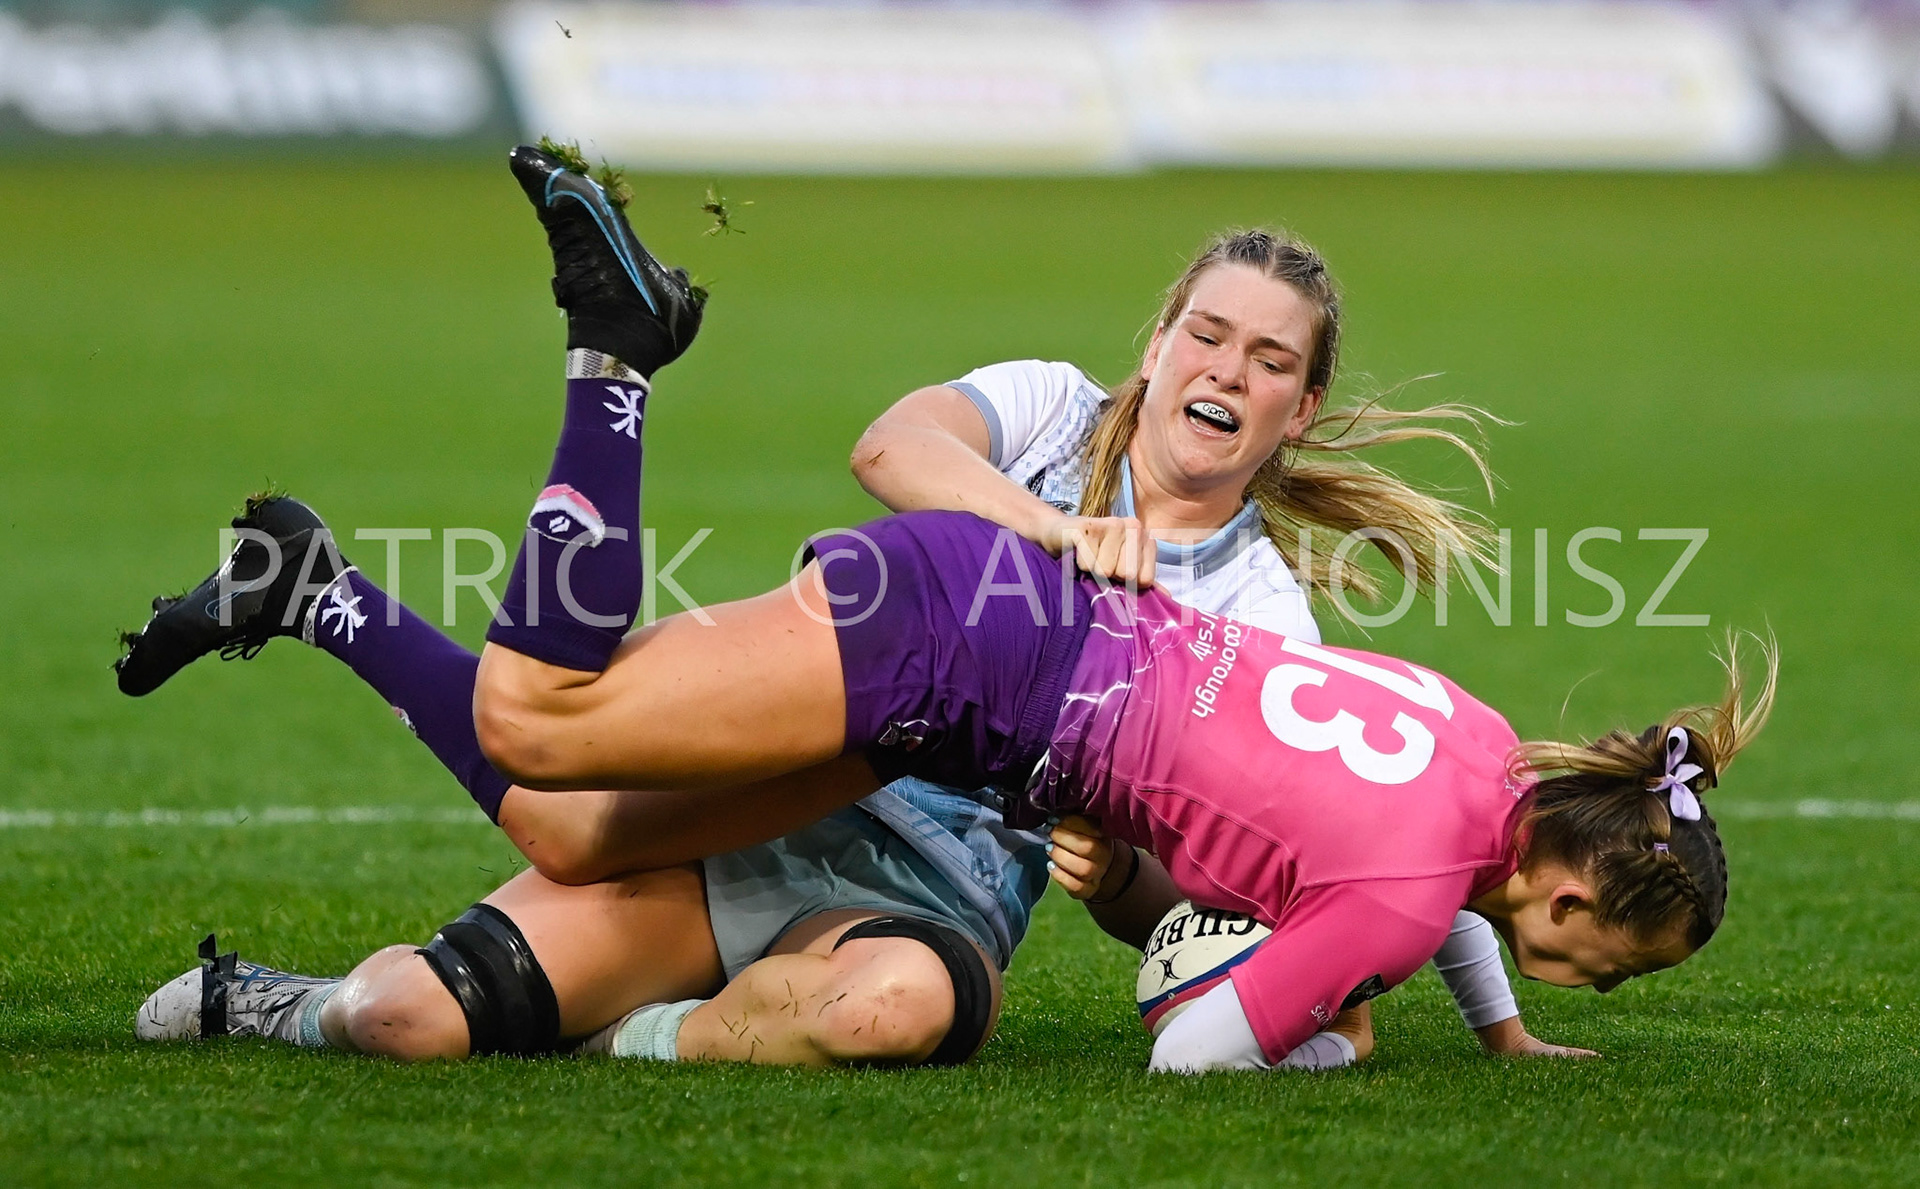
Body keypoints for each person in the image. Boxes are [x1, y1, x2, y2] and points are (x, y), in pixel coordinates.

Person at [120, 145, 1761, 1071]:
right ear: (1158, 338)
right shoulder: (1053, 406)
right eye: (1209, 333)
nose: (1225, 371)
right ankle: (604, 368)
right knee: (520, 789)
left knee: (592, 830)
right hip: (901, 677)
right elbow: (895, 447)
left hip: (952, 840)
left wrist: (1121, 875)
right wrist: (1058, 529)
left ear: (1299, 415)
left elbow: (1308, 855)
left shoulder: (1267, 607)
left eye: (1268, 363)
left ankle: (317, 588)